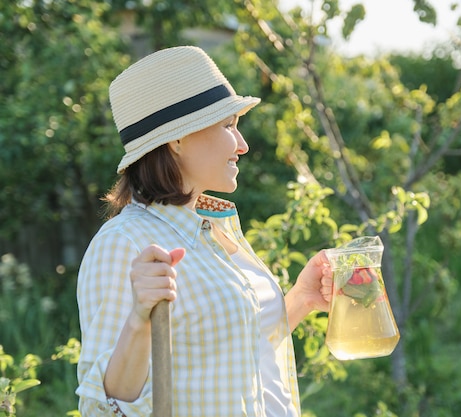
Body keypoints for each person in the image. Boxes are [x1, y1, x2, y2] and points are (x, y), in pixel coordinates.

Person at [76, 45, 333, 417]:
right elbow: (101, 408)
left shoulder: (214, 230)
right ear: (177, 140)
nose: (242, 145)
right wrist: (138, 319)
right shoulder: (125, 243)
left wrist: (301, 299)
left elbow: (232, 349)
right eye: (228, 126)